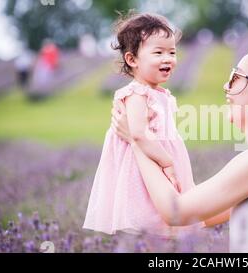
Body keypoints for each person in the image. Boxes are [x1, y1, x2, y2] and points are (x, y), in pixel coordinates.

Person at [111, 40, 248, 252]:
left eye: (236, 77)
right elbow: (195, 218)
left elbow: (175, 213)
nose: (226, 86)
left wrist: (137, 139)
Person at [83, 12, 202, 237]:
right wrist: (167, 162)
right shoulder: (136, 93)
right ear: (132, 60)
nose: (168, 58)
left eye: (172, 52)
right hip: (143, 169)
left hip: (157, 161)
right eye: (158, 52)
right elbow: (138, 133)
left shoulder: (160, 94)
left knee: (171, 224)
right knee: (149, 222)